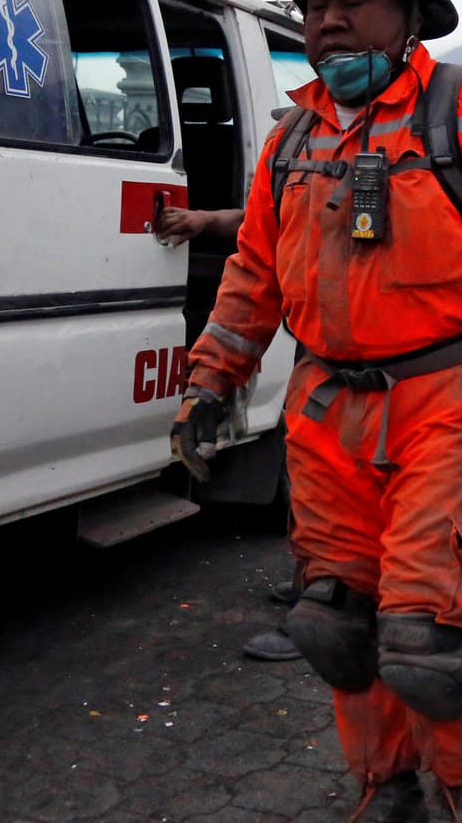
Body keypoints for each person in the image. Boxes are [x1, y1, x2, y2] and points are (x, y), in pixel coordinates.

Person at [172, 0, 462, 823]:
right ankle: (385, 788)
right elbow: (252, 274)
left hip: (451, 399)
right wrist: (211, 379)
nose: (329, 19)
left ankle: (459, 789)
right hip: (327, 413)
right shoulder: (293, 140)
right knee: (335, 625)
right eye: (316, 4)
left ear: (409, 12)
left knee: (425, 637)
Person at [153, 205, 307, 664]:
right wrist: (208, 386)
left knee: (415, 524)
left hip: (426, 381)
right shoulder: (299, 142)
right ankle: (323, 601)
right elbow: (260, 245)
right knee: (319, 497)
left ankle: (392, 621)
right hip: (329, 370)